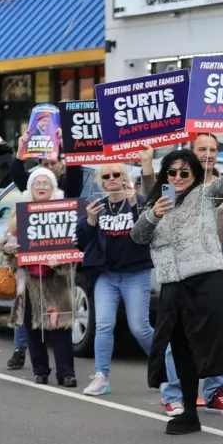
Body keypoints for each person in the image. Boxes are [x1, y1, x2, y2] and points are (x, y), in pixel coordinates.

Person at [131, 139, 223, 437]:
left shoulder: (205, 194)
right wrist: (153, 215)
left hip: (206, 280)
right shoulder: (159, 201)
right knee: (182, 349)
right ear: (165, 175)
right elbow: (137, 236)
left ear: (194, 175)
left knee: (221, 343)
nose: (178, 178)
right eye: (172, 172)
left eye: (185, 173)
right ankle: (189, 413)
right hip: (171, 285)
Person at [4, 136, 82, 370]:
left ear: (60, 166)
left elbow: (76, 173)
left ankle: (65, 370)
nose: (48, 169)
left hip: (56, 273)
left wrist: (67, 146)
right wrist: (20, 152)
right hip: (30, 273)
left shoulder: (66, 191)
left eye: (53, 164)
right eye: (44, 164)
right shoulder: (31, 192)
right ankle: (21, 352)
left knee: (59, 324)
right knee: (28, 317)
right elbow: (17, 173)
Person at [75, 164, 154, 395]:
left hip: (135, 274)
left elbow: (148, 231)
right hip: (106, 276)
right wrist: (90, 221)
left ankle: (167, 365)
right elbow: (81, 243)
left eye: (116, 174)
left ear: (124, 178)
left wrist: (135, 205)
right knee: (103, 325)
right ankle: (101, 376)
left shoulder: (137, 201)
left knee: (140, 328)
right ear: (101, 181)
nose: (112, 179)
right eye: (106, 176)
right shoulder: (97, 206)